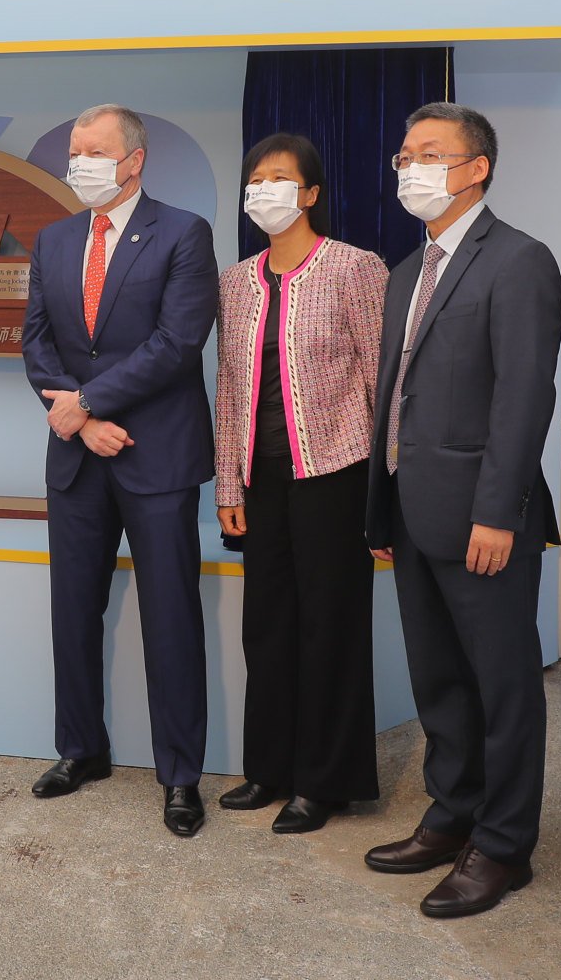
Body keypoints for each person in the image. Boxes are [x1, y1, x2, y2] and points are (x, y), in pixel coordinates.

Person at [362, 102, 561, 917]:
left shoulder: (518, 260)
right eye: (404, 152)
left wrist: (498, 509)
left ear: (476, 166)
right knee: (439, 679)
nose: (409, 165)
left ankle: (504, 845)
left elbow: (524, 396)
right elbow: (396, 399)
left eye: (429, 152)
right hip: (412, 512)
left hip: (484, 517)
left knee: (503, 684)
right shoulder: (408, 271)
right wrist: (383, 509)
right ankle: (452, 815)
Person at [20, 103, 219, 838]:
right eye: (75, 150)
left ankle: (180, 775)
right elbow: (35, 344)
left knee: (170, 617)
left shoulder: (183, 233)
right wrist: (82, 418)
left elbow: (177, 341)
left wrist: (92, 402)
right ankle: (81, 748)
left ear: (134, 159)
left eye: (94, 150)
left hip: (156, 456)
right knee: (73, 612)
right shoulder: (54, 238)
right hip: (77, 457)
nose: (81, 163)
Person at [213, 134, 387, 834]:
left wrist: (387, 496)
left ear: (311, 193)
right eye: (255, 178)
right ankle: (270, 769)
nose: (264, 190)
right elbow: (228, 389)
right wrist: (228, 483)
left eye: (280, 178)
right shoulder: (235, 279)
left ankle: (325, 781)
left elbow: (383, 384)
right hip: (263, 479)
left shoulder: (355, 268)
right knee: (269, 626)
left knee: (331, 628)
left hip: (335, 475)